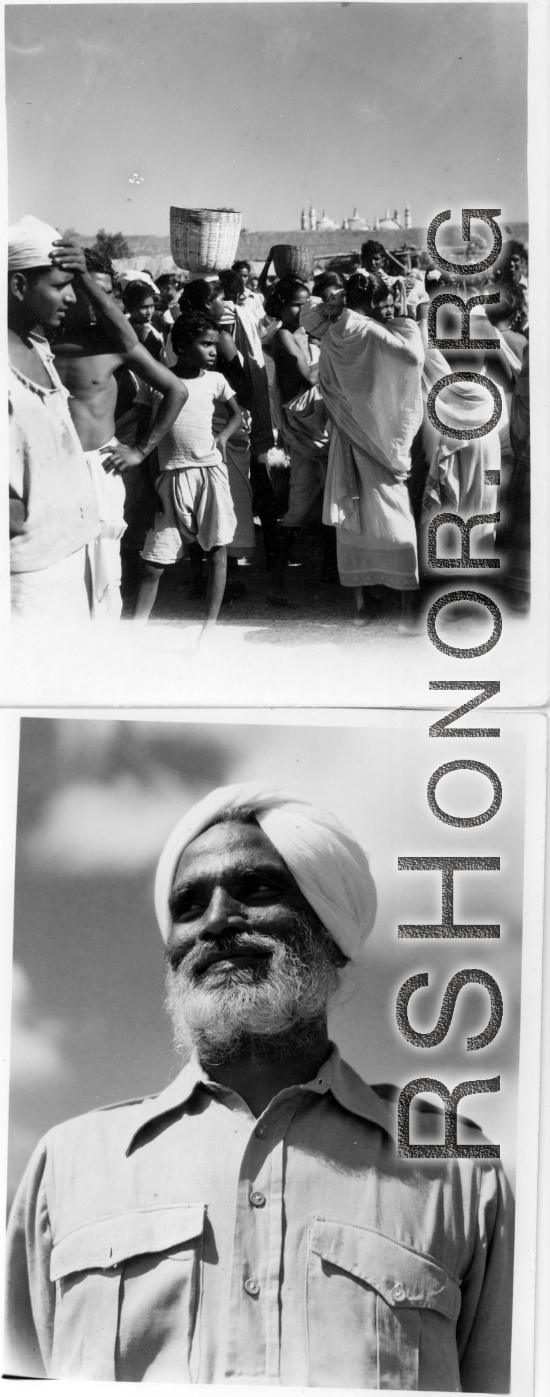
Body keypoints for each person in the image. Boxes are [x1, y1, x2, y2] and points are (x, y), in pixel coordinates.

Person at [5, 781, 514, 1388]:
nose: (218, 920)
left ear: (332, 931)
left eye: (258, 889)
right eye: (189, 904)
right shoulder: (67, 1164)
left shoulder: (458, 1170)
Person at [52, 248, 187, 619]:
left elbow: (177, 390)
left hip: (99, 468)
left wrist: (140, 451)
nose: (102, 301)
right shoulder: (38, 342)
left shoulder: (116, 345)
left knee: (104, 579)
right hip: (51, 473)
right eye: (89, 290)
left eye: (108, 293)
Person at [319, 272, 424, 630]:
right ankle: (408, 613)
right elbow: (411, 359)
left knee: (355, 523)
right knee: (396, 522)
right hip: (378, 437)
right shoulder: (373, 331)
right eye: (385, 304)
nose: (388, 309)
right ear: (373, 303)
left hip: (348, 434)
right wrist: (408, 318)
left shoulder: (332, 333)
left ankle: (362, 608)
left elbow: (327, 382)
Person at [8, 216, 100, 621]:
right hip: (27, 571)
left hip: (68, 549)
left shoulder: (38, 343)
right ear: (19, 286)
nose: (71, 299)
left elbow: (124, 340)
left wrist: (83, 277)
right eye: (60, 287)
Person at [133, 310, 241, 634]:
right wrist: (149, 484)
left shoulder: (217, 381)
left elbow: (236, 414)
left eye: (215, 345)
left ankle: (208, 632)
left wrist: (222, 436)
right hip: (169, 476)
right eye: (205, 344)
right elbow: (143, 437)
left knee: (218, 552)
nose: (213, 351)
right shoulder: (156, 384)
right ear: (181, 346)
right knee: (154, 562)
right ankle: (133, 635)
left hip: (209, 473)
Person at [266, 278, 332, 585]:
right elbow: (306, 375)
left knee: (324, 497)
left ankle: (328, 573)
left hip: (316, 419)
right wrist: (334, 355)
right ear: (279, 306)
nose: (302, 309)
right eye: (295, 303)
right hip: (305, 418)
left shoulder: (304, 333)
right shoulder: (282, 335)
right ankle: (277, 577)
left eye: (306, 303)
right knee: (303, 500)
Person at [122, 280, 165, 360]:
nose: (149, 312)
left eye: (152, 306)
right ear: (131, 308)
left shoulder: (128, 323)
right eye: (144, 307)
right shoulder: (143, 331)